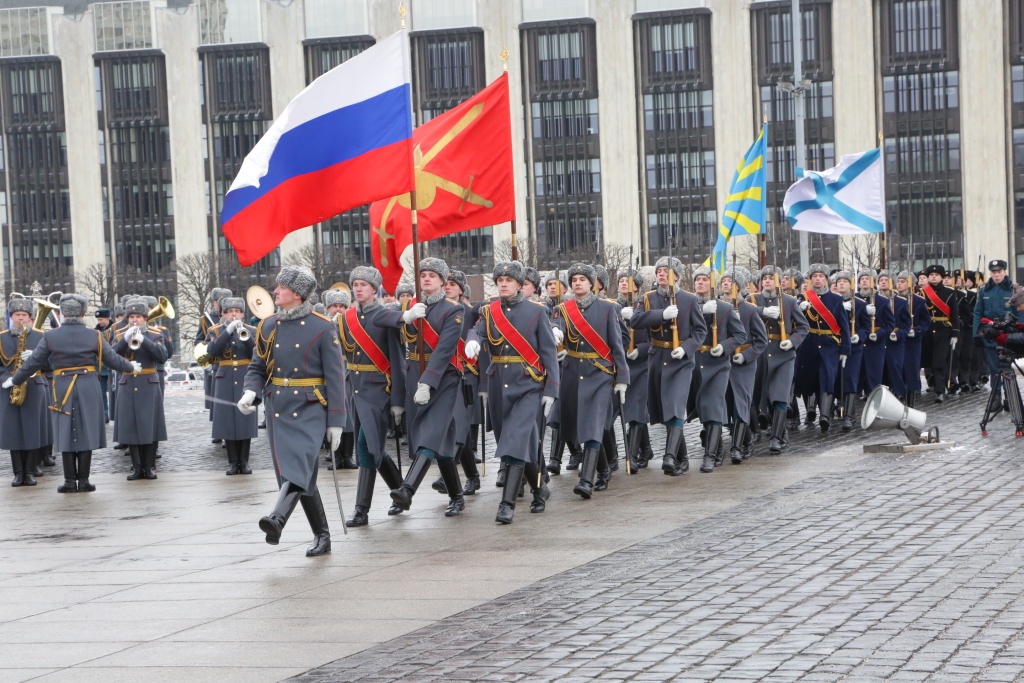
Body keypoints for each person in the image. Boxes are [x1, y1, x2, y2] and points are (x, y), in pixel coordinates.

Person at [239, 266, 346, 556]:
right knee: (296, 472)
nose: (275, 292)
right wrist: (251, 390)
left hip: (311, 405)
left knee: (297, 468)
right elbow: (257, 366)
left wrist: (337, 421)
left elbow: (335, 377)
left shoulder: (323, 326)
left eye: (281, 288)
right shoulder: (268, 325)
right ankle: (322, 535)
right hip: (278, 406)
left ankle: (277, 519)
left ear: (296, 294)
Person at [4, 294, 137, 493]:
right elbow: (112, 360)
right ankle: (83, 480)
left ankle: (68, 481)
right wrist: (131, 367)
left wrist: (15, 380)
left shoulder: (50, 336)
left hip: (62, 386)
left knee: (64, 431)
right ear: (83, 313)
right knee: (86, 431)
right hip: (87, 386)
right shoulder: (95, 335)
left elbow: (33, 363)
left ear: (63, 314)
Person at [472, 261, 559, 524]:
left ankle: (506, 504)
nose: (503, 284)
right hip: (499, 385)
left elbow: (548, 353)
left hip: (527, 386)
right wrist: (474, 341)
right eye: (499, 280)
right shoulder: (489, 311)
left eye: (508, 280)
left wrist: (551, 390)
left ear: (520, 285)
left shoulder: (536, 312)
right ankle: (539, 488)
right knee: (518, 443)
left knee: (515, 443)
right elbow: (476, 330)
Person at [379, 258, 466, 517]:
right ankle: (457, 496)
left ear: (442, 280)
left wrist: (428, 382)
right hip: (412, 374)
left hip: (444, 378)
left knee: (430, 433)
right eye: (423, 275)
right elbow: (378, 318)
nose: (426, 279)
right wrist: (404, 316)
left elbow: (444, 350)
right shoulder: (409, 305)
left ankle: (407, 490)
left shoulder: (453, 309)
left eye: (432, 275)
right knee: (436, 437)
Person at [337, 266, 407, 527]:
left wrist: (398, 400)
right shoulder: (346, 319)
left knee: (367, 447)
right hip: (354, 388)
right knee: (372, 447)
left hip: (379, 390)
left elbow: (398, 362)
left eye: (364, 284)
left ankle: (361, 510)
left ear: (375, 289)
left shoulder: (386, 316)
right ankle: (401, 491)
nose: (358, 288)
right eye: (355, 284)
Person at [552, 263, 629, 498]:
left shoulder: (608, 308)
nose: (577, 283)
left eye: (582, 279)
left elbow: (617, 344)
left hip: (600, 373)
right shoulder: (563, 309)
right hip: (573, 372)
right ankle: (604, 470)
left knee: (594, 423)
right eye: (573, 279)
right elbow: (558, 325)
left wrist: (622, 376)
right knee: (582, 425)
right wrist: (555, 331)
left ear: (592, 283)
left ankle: (586, 479)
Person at [630, 257, 707, 477]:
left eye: (667, 271)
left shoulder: (689, 300)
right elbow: (635, 321)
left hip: (680, 361)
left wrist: (686, 348)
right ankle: (682, 459)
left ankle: (670, 456)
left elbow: (700, 332)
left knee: (675, 406)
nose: (662, 274)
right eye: (659, 271)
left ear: (677, 276)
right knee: (665, 409)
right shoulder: (647, 298)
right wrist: (660, 315)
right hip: (657, 358)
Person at [689, 266, 747, 472]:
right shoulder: (687, 305)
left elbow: (741, 336)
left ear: (711, 284)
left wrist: (723, 347)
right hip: (695, 363)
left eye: (704, 279)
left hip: (718, 365)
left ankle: (710, 456)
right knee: (703, 407)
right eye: (697, 280)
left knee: (713, 406)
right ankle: (718, 448)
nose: (700, 283)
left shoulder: (725, 308)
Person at [753, 266, 809, 454]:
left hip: (783, 354)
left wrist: (792, 342)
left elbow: (803, 327)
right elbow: (744, 316)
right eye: (765, 278)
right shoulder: (753, 301)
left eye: (771, 278)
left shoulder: (789, 301)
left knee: (780, 395)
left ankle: (776, 438)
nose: (767, 281)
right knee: (765, 396)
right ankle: (780, 430)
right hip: (761, 354)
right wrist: (763, 311)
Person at [114, 297, 169, 481]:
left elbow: (162, 356)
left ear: (145, 318)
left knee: (150, 426)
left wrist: (143, 340)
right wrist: (126, 339)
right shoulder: (120, 332)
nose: (134, 320)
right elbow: (112, 355)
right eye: (131, 317)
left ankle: (149, 466)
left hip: (148, 382)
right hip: (128, 382)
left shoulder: (155, 333)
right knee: (131, 426)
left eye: (138, 316)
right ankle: (137, 467)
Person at [0, 298, 51, 487]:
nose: (20, 318)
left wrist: (38, 358)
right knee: (13, 431)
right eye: (17, 315)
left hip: (34, 385)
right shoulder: (2, 336)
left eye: (24, 315)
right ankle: (18, 472)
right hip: (8, 386)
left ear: (30, 318)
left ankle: (29, 471)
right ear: (11, 316)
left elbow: (51, 365)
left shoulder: (41, 336)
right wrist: (5, 379)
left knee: (32, 430)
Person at [205, 297, 257, 475]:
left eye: (237, 311)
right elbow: (212, 352)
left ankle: (244, 461)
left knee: (245, 420)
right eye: (228, 311)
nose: (233, 314)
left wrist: (245, 334)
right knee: (227, 420)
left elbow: (257, 352)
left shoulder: (252, 330)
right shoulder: (216, 330)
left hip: (245, 376)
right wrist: (227, 332)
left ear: (243, 313)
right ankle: (233, 462)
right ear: (223, 314)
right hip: (224, 377)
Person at [721, 267, 767, 464]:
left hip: (744, 365)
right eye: (723, 281)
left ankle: (737, 447)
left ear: (738, 287)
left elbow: (761, 340)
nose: (725, 284)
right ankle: (746, 441)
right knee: (729, 402)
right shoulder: (719, 308)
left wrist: (747, 356)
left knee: (741, 402)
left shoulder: (748, 309)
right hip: (723, 361)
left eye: (729, 281)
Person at [616, 269, 651, 471]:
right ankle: (646, 450)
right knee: (629, 411)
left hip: (640, 365)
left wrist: (640, 350)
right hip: (622, 365)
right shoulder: (612, 306)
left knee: (637, 409)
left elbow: (653, 337)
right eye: (620, 280)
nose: (623, 284)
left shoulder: (644, 306)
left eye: (627, 281)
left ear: (636, 286)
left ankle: (632, 455)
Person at [974, 260, 1021, 402]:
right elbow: (977, 313)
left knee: (1006, 367)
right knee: (994, 369)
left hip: (1007, 333)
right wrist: (976, 334)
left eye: (999, 272)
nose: (996, 275)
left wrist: (1016, 330)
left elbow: (1019, 313)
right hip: (989, 333)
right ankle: (995, 398)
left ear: (1004, 272)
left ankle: (1009, 398)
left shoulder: (1013, 290)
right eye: (994, 272)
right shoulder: (984, 290)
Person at [920, 264, 960, 402]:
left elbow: (954, 314)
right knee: (927, 361)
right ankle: (930, 385)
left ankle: (940, 391)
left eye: (936, 275)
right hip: (927, 330)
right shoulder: (922, 292)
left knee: (939, 361)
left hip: (943, 330)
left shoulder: (949, 292)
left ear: (942, 277)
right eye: (931, 275)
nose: (934, 277)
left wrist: (955, 333)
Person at [896, 271, 931, 408]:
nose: (899, 284)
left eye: (903, 281)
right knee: (897, 369)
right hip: (898, 339)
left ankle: (910, 401)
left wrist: (916, 330)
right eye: (898, 281)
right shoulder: (894, 299)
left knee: (911, 369)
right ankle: (899, 396)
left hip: (912, 341)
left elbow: (925, 322)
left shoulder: (919, 301)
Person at [94, 309, 112, 422]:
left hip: (113, 365)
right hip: (101, 367)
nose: (99, 321)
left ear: (107, 318)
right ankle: (104, 414)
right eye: (98, 319)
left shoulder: (115, 328)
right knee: (101, 392)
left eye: (101, 319)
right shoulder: (96, 331)